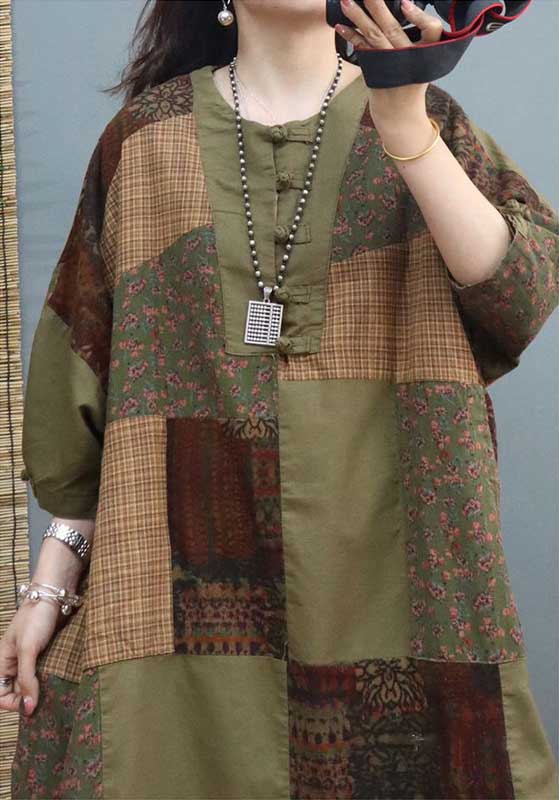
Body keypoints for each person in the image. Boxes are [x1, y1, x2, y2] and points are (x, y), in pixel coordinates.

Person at [2, 0, 559, 797]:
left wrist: (405, 123)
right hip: (176, 595)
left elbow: (520, 294)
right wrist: (48, 587)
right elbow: (89, 381)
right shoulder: (144, 139)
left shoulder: (427, 117)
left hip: (403, 575)